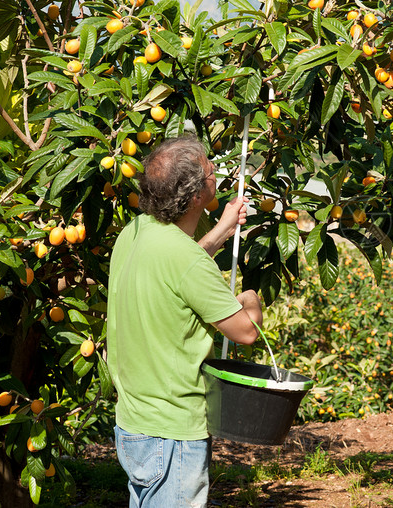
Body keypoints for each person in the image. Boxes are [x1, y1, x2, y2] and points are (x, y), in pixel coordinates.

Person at [106, 135, 262, 507]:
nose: (216, 173)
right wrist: (251, 300)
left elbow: (179, 266)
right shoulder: (185, 261)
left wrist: (223, 228)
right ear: (194, 197)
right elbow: (245, 332)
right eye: (211, 170)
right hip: (172, 434)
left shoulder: (136, 231)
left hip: (135, 424)